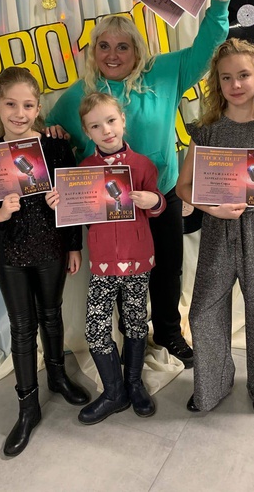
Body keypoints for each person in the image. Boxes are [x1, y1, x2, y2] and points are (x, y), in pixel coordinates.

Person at [46, 0, 235, 367]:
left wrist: (221, 0)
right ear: (93, 52)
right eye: (104, 46)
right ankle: (127, 340)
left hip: (160, 194)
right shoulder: (78, 95)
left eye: (123, 46)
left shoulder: (165, 72)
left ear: (137, 50)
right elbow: (50, 138)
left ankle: (167, 332)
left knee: (167, 270)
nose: (113, 55)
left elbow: (207, 47)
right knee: (117, 276)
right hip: (109, 206)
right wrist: (55, 135)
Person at [0, 67, 90, 457]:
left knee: (52, 315)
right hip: (10, 252)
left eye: (28, 105)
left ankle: (58, 377)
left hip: (51, 249)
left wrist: (73, 245)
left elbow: (73, 201)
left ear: (38, 107)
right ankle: (27, 406)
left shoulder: (55, 148)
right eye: (10, 104)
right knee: (22, 328)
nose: (19, 113)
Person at [176, 38, 254, 417]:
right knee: (203, 312)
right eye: (226, 77)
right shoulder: (207, 130)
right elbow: (183, 187)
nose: (235, 84)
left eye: (243, 75)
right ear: (217, 82)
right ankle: (213, 384)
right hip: (218, 231)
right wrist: (210, 208)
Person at [49, 92, 165, 424]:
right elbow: (78, 214)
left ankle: (134, 384)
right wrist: (61, 204)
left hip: (138, 259)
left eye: (111, 121)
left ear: (123, 121)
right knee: (96, 327)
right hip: (102, 263)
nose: (106, 130)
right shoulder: (83, 170)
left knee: (136, 321)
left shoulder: (143, 165)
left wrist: (153, 200)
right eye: (96, 126)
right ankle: (114, 393)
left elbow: (158, 207)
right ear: (87, 132)